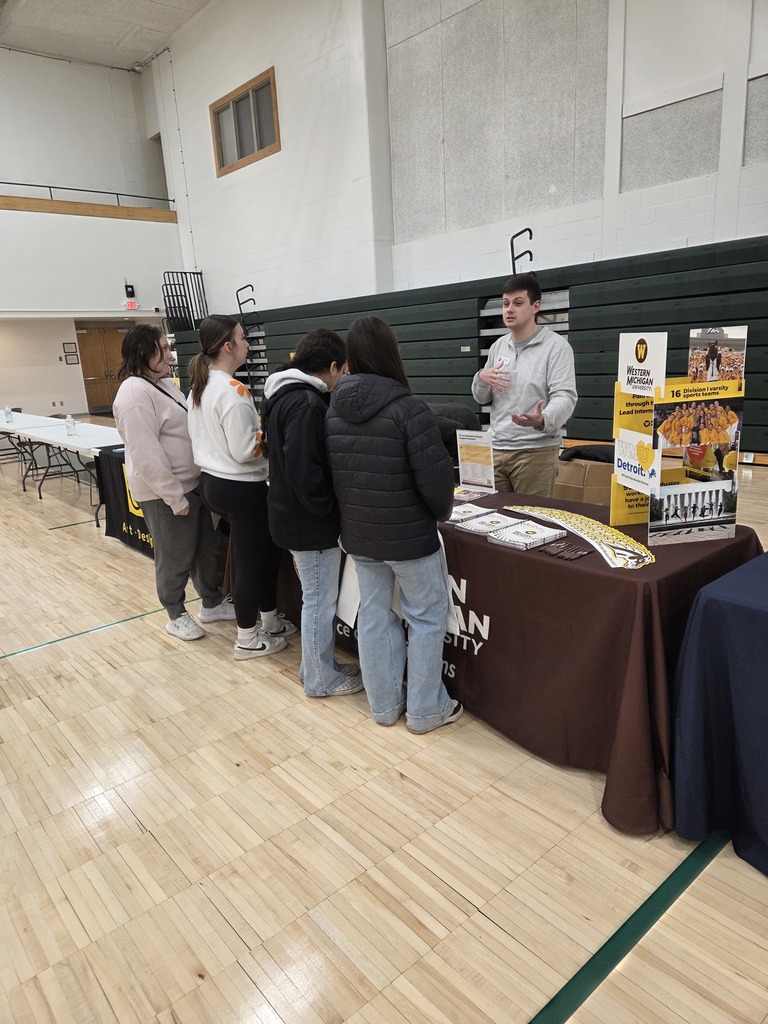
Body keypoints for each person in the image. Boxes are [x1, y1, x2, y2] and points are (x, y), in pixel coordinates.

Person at [325, 316, 462, 734]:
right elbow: (436, 483)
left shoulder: (334, 410)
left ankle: (384, 706)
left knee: (373, 614)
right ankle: (424, 710)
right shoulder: (408, 409)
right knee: (425, 616)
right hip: (409, 539)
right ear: (390, 352)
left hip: (361, 536)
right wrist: (442, 512)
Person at [112, 323, 235, 641]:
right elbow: (145, 453)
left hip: (193, 484)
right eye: (163, 349)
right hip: (167, 492)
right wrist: (174, 496)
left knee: (206, 549)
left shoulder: (161, 385)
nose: (171, 355)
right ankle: (175, 614)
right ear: (144, 353)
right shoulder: (133, 393)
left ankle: (211, 603)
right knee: (175, 555)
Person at [261, 328, 364, 698]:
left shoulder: (282, 394)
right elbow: (307, 474)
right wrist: (331, 515)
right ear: (333, 366)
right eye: (343, 371)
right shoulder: (305, 403)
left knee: (316, 598)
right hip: (308, 524)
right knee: (320, 601)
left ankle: (315, 666)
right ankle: (320, 679)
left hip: (291, 516)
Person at [187, 314, 296, 660]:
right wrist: (272, 438)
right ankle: (248, 639)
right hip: (242, 486)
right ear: (227, 346)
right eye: (242, 337)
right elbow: (245, 450)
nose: (248, 343)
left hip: (215, 483)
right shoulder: (234, 390)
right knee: (251, 564)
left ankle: (270, 622)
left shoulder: (199, 387)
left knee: (262, 557)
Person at [471, 272, 577, 496]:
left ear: (535, 306)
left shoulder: (556, 348)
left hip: (535, 452)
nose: (509, 309)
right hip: (496, 447)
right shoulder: (498, 347)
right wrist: (481, 378)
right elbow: (482, 398)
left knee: (532, 520)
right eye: (506, 303)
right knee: (494, 519)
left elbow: (565, 396)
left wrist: (543, 419)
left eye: (518, 303)